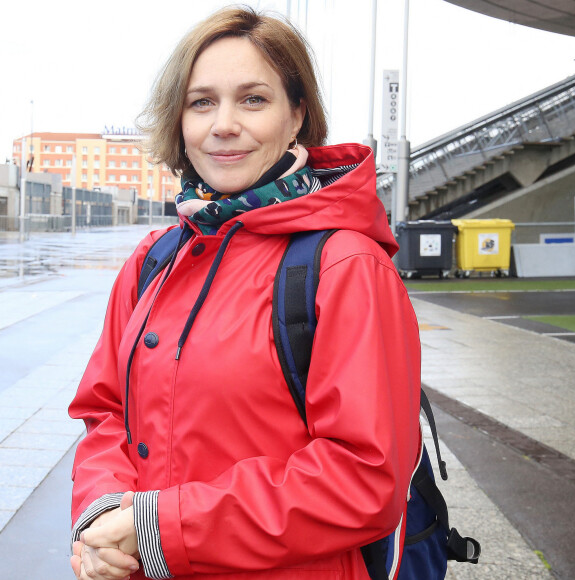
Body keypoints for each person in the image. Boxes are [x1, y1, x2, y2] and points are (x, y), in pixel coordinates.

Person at [69, 6, 421, 580]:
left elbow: (366, 478)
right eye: (201, 101)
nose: (223, 124)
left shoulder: (344, 265)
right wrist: (104, 517)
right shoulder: (153, 259)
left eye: (253, 100)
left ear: (297, 114)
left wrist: (162, 528)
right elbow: (105, 412)